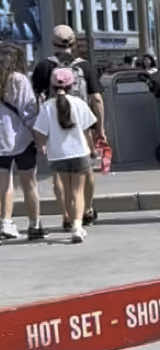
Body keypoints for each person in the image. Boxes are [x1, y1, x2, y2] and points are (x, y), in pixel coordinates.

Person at [31, 25, 105, 229]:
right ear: (73, 43)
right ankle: (87, 210)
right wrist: (100, 128)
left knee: (59, 176)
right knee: (86, 171)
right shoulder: (86, 66)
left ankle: (65, 214)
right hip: (81, 125)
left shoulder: (43, 67)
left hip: (54, 126)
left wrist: (40, 133)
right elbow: (96, 98)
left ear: (52, 43)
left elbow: (36, 99)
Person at [32, 66, 96, 241]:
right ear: (72, 85)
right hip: (79, 152)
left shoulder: (47, 106)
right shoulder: (79, 103)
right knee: (78, 191)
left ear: (52, 86)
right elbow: (87, 130)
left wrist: (42, 145)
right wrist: (92, 148)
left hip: (58, 154)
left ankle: (69, 217)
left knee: (67, 191)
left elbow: (39, 131)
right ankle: (77, 225)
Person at [0, 44, 43, 241]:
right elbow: (29, 112)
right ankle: (34, 224)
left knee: (4, 184)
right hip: (22, 139)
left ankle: (6, 222)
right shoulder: (20, 80)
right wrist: (39, 138)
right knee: (29, 184)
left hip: (1, 141)